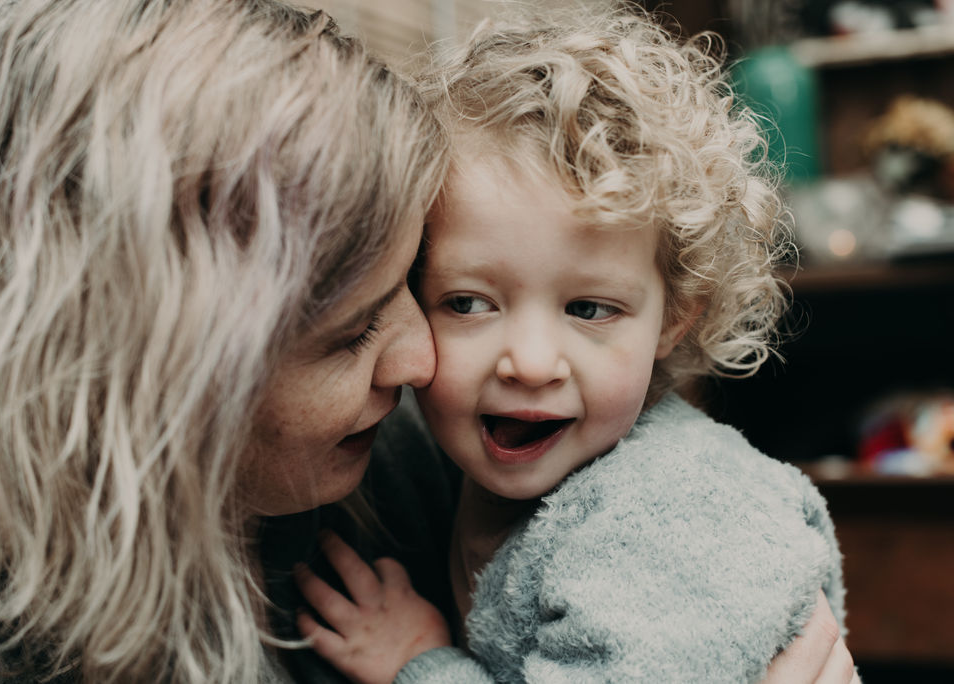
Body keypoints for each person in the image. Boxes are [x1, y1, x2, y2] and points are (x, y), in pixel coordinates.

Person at [0, 0, 851, 682]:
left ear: (675, 315)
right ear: (157, 380)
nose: (420, 366)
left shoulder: (635, 510)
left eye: (591, 309)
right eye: (355, 329)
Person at [294, 5, 858, 683]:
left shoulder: (674, 526)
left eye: (589, 308)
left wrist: (420, 663)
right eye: (469, 303)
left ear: (676, 316)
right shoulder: (501, 481)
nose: (530, 363)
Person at [0, 1, 446, 681]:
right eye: (351, 334)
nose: (424, 361)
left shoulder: (407, 468)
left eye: (414, 278)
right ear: (134, 379)